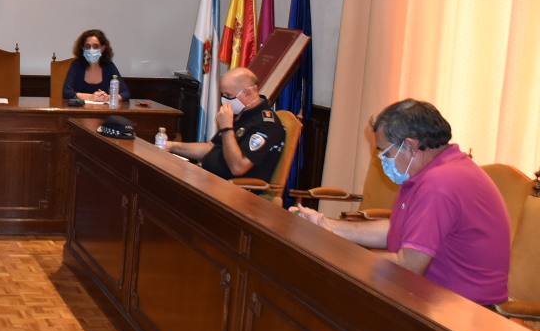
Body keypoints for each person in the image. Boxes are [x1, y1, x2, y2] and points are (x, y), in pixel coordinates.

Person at [291, 100, 509, 306]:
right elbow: (396, 230)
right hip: (436, 300)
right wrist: (323, 224)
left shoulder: (440, 184)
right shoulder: (432, 171)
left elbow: (409, 266)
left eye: (385, 152)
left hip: (462, 315)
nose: (380, 160)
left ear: (411, 146)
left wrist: (341, 256)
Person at [165, 66, 285, 182]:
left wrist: (227, 128)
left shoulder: (266, 124)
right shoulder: (241, 114)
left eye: (228, 95)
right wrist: (172, 146)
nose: (224, 100)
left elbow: (238, 168)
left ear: (248, 93)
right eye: (223, 95)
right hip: (210, 178)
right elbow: (211, 148)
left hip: (236, 191)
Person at [62, 29, 130, 103]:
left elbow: (125, 93)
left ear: (103, 48)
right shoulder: (76, 65)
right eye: (87, 46)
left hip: (103, 112)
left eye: (95, 46)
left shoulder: (109, 66)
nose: (91, 50)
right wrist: (91, 97)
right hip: (80, 112)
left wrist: (108, 97)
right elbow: (66, 92)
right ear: (82, 48)